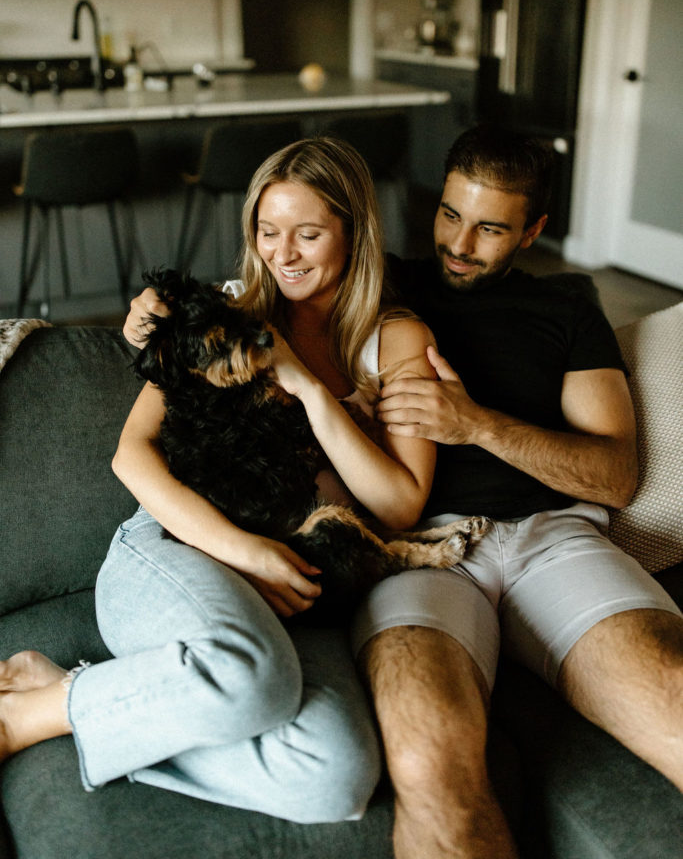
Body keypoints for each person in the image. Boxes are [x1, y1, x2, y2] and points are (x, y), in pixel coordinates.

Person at [0, 136, 437, 823]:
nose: (282, 254)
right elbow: (132, 455)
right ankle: (29, 719)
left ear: (355, 232)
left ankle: (78, 692)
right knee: (248, 674)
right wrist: (245, 550)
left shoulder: (397, 340)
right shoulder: (225, 319)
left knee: (335, 779)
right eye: (267, 232)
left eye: (308, 234)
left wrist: (303, 383)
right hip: (175, 550)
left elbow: (401, 504)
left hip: (298, 588)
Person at [352, 124, 683, 858]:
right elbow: (268, 283)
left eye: (490, 228)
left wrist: (476, 425)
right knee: (426, 758)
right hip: (420, 550)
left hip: (553, 538)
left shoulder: (567, 307)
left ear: (531, 230)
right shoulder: (381, 284)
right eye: (448, 214)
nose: (458, 243)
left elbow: (616, 477)